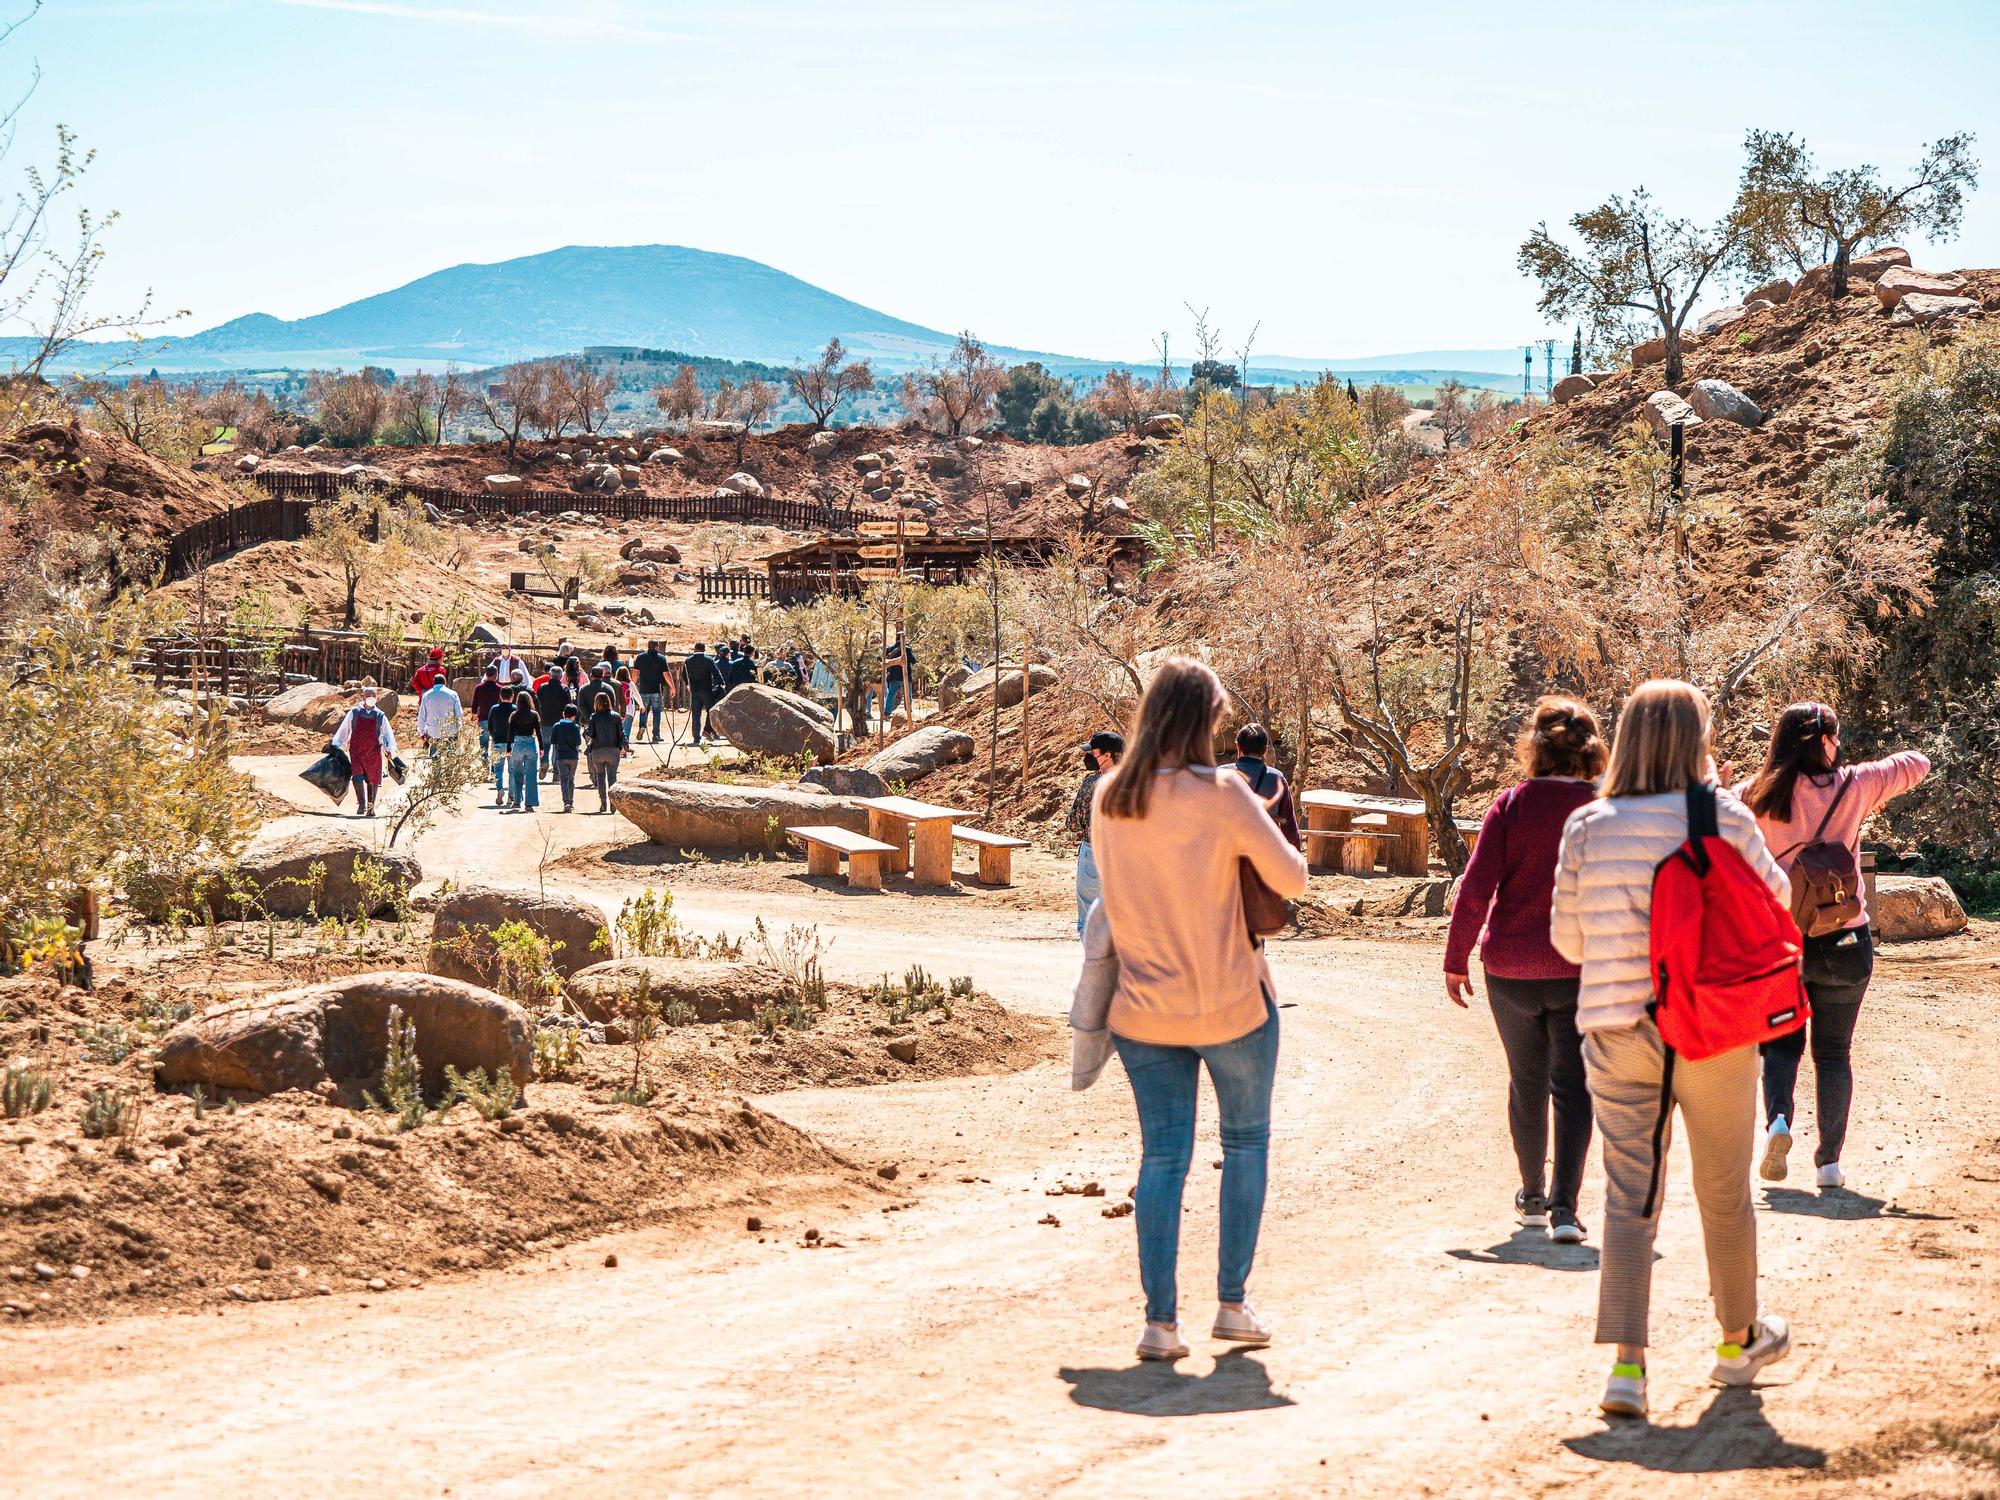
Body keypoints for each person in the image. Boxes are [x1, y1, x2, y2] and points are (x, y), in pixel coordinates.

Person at [1551, 680, 1792, 1419]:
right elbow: (1776, 898)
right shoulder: (1719, 815)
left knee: (1630, 1196)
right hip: (1713, 1025)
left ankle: (1628, 1369)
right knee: (1724, 1190)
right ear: (1697, 740)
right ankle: (1736, 1342)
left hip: (1617, 1029)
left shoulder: (1587, 825)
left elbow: (1568, 941)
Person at [1090, 659, 1308, 1360]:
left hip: (1142, 1009)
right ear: (1205, 720)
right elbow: (1291, 878)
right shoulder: (1222, 794)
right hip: (1232, 1003)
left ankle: (1159, 1323)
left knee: (1163, 1156)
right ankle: (1233, 1305)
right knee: (1244, 1144)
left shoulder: (1108, 797)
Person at [1740, 703, 1930, 1190]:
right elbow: (1918, 763)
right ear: (1826, 740)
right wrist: (1859, 779)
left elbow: (1714, 811)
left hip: (1781, 941)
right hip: (1846, 937)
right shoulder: (1858, 784)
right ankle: (1828, 1164)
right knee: (1833, 1052)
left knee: (1781, 1045)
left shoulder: (1754, 795)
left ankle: (1779, 1121)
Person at [1443, 696, 1605, 1244]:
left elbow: (1475, 887)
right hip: (1580, 967)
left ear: (1533, 748)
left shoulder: (1510, 805)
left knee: (1526, 1081)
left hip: (1509, 969)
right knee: (1573, 1085)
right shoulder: (1602, 808)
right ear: (1591, 750)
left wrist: (1455, 956)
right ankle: (1565, 1209)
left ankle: (1531, 1197)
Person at [1067, 731, 1123, 937]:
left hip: (1094, 853)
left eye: (1093, 752)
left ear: (1107, 755)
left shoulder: (1092, 784)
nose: (1088, 756)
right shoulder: (1137, 783)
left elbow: (1073, 824)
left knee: (1089, 920)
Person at [330, 687, 398, 818]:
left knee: (373, 779)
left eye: (373, 695)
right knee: (357, 776)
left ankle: (370, 807)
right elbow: (345, 730)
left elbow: (387, 734)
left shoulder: (380, 715)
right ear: (363, 697)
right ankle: (361, 804)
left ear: (377, 697)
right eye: (368, 695)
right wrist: (337, 746)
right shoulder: (354, 713)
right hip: (356, 750)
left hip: (374, 751)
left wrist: (389, 749)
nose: (371, 696)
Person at [1230, 723, 1301, 848]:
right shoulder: (1277, 779)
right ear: (1265, 750)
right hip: (1264, 857)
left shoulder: (1219, 775)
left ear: (1238, 747)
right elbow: (1289, 829)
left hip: (1225, 858)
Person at [585, 688, 629, 813]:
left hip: (597, 751)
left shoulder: (594, 716)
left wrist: (587, 730)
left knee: (600, 776)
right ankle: (612, 802)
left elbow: (591, 734)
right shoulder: (615, 716)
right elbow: (621, 733)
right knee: (612, 776)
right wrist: (625, 746)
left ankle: (603, 802)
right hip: (613, 750)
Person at [504, 689, 541, 812]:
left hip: (518, 744)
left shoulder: (514, 715)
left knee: (517, 774)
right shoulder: (534, 715)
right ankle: (529, 803)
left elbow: (510, 733)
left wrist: (509, 748)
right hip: (530, 743)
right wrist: (541, 747)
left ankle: (517, 801)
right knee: (531, 775)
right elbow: (538, 732)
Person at [534, 664, 574, 777]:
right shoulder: (564, 688)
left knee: (545, 744)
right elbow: (568, 706)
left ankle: (544, 762)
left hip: (545, 720)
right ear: (561, 676)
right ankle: (556, 772)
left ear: (550, 675)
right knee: (558, 747)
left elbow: (537, 703)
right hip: (559, 721)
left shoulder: (542, 687)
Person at [634, 639, 671, 743]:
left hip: (643, 689)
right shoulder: (661, 658)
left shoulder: (640, 657)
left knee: (643, 709)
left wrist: (633, 684)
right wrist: (672, 687)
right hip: (656, 690)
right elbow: (666, 674)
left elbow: (635, 672)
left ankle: (642, 726)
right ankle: (656, 734)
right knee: (656, 712)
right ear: (656, 647)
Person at [685, 642, 723, 745]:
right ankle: (707, 729)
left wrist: (688, 685)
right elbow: (716, 673)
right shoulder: (708, 660)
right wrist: (721, 683)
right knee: (710, 710)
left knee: (696, 714)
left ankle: (696, 737)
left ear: (695, 649)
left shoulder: (688, 660)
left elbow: (685, 675)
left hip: (694, 690)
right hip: (707, 690)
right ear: (704, 649)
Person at [414, 671, 463, 750]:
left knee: (434, 757)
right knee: (451, 756)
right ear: (445, 682)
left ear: (434, 683)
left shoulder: (426, 695)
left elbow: (421, 715)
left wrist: (422, 732)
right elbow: (459, 713)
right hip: (450, 730)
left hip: (432, 731)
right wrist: (459, 728)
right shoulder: (453, 694)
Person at [549, 704, 583, 813]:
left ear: (563, 713)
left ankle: (566, 802)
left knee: (563, 779)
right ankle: (571, 801)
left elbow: (552, 741)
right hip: (573, 756)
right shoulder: (576, 727)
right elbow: (579, 742)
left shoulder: (557, 726)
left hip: (561, 757)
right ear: (574, 716)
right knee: (571, 780)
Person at [484, 691, 515, 805]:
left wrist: (494, 737)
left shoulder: (494, 709)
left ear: (500, 696)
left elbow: (490, 726)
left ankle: (500, 789)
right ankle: (512, 795)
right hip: (511, 743)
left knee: (498, 770)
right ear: (512, 696)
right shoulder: (515, 709)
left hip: (498, 742)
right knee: (512, 770)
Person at [470, 665, 504, 760]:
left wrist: (474, 716)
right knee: (495, 742)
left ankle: (484, 764)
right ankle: (494, 763)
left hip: (483, 718)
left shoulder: (479, 688)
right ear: (496, 674)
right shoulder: (500, 688)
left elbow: (474, 705)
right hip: (496, 720)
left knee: (483, 743)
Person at [883, 631, 909, 717]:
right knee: (907, 694)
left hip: (892, 676)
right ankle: (908, 710)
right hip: (904, 676)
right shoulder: (907, 648)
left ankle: (887, 712)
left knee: (890, 694)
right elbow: (913, 660)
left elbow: (885, 659)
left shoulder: (889, 649)